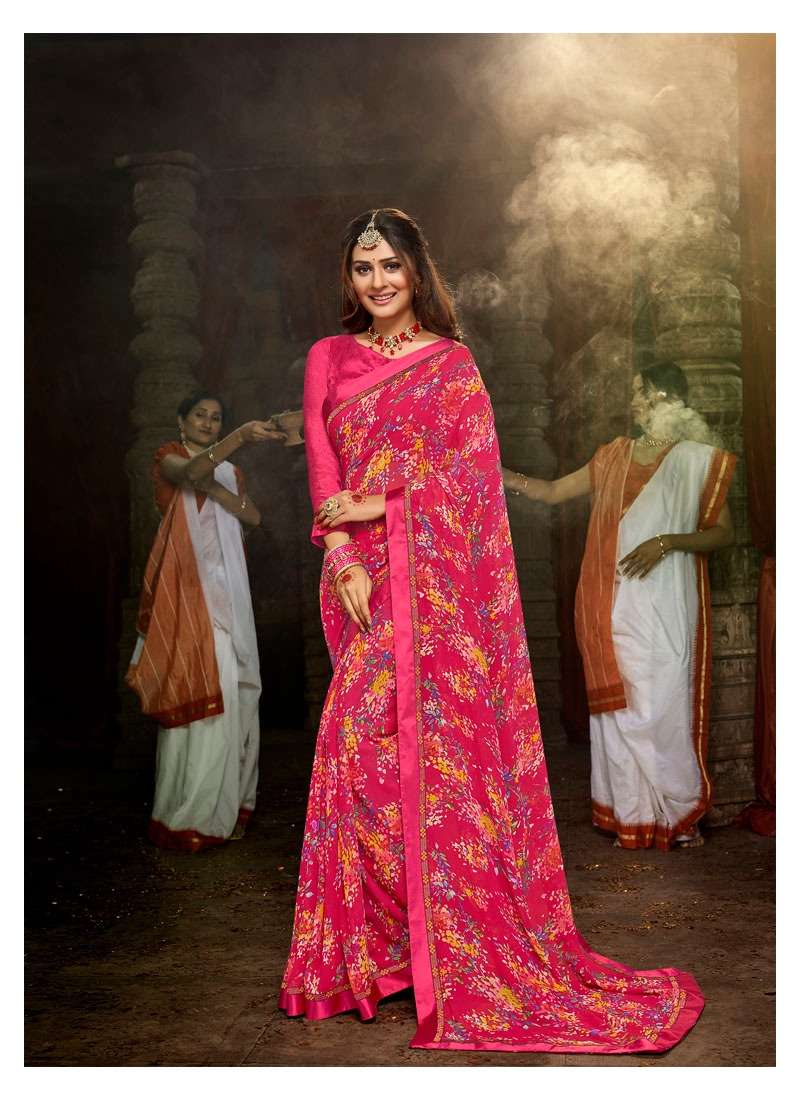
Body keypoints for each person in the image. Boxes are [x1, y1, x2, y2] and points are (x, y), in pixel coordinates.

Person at [278, 208, 703, 1053]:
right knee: (354, 754)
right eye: (363, 268)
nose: (378, 282)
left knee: (438, 763)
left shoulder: (452, 365)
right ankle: (380, 953)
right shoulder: (329, 357)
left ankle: (447, 947)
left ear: (416, 270)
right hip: (364, 582)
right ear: (349, 278)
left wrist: (381, 501)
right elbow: (324, 476)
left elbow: (470, 482)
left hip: (437, 588)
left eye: (390, 265)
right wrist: (346, 556)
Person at [503, 363, 736, 851]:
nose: (632, 401)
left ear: (665, 397)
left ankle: (676, 813)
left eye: (640, 392)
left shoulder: (695, 459)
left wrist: (666, 542)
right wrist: (496, 473)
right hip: (612, 604)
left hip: (668, 604)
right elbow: (551, 492)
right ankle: (633, 814)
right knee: (621, 707)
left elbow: (723, 534)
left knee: (666, 701)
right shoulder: (612, 456)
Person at [126, 393, 284, 852]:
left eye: (217, 418)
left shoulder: (229, 471)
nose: (208, 423)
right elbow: (190, 474)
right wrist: (239, 438)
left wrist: (216, 487)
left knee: (233, 695)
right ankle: (187, 815)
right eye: (200, 415)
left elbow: (252, 516)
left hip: (227, 594)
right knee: (195, 688)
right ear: (182, 420)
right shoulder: (168, 456)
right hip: (187, 596)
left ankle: (229, 807)